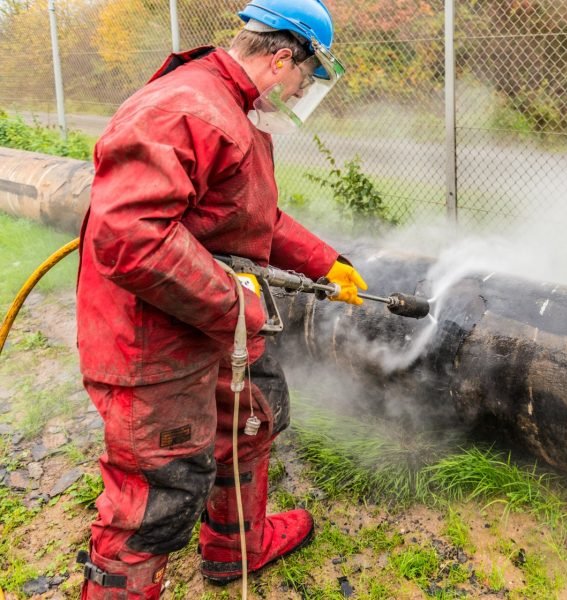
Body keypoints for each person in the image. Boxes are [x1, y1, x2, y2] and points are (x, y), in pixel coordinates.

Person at [74, 0, 365, 597]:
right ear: (283, 57)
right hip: (153, 339)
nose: (300, 90)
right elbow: (130, 238)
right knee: (160, 487)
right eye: (305, 77)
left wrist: (323, 262)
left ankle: (238, 548)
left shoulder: (230, 107)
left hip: (207, 322)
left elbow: (244, 212)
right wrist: (242, 307)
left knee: (252, 420)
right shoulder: (189, 109)